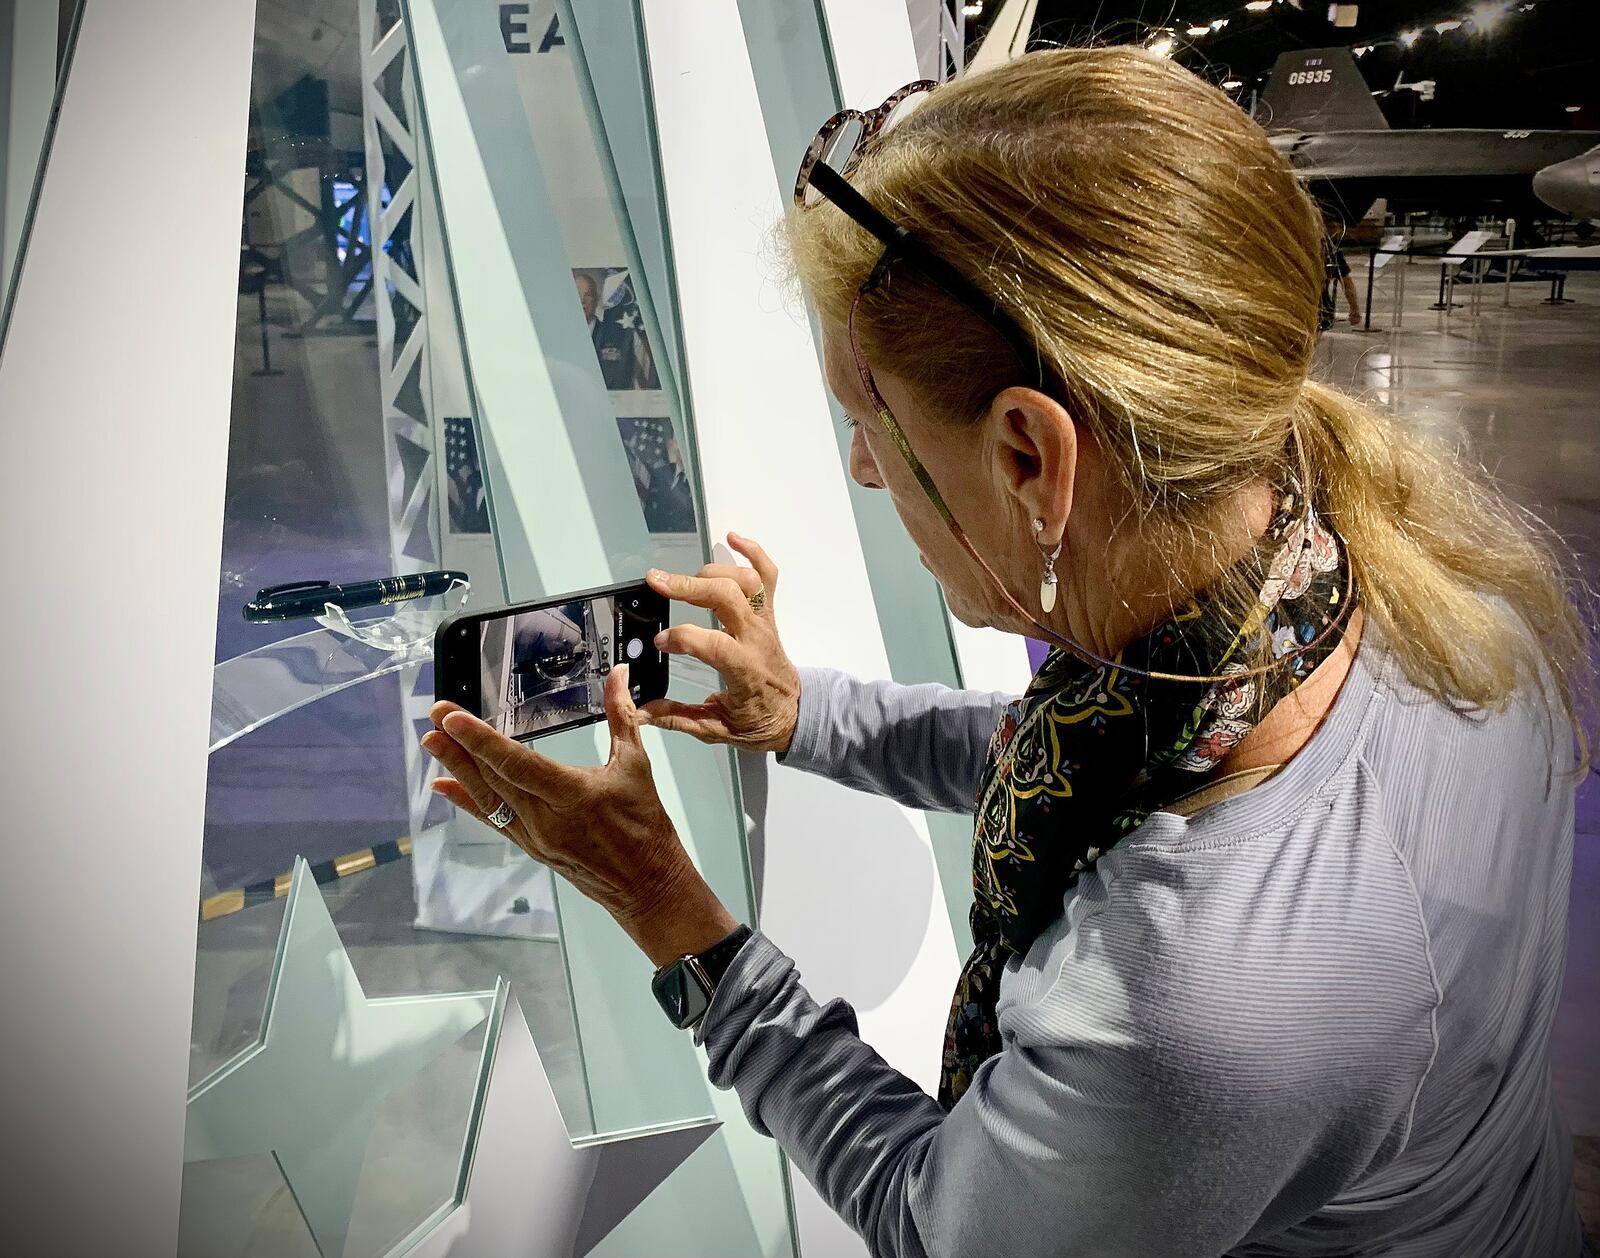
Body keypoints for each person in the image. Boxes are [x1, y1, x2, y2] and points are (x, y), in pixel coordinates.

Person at [422, 48, 1594, 1258]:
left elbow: (942, 1226)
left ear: (1029, 457)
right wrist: (801, 712)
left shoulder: (1185, 1009)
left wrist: (669, 909)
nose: (861, 470)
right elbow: (1078, 759)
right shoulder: (1393, 600)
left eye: (872, 423)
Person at [1321, 226, 1363, 329]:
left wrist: (1354, 308)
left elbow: (1346, 281)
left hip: (1319, 304)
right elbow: (1346, 281)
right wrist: (1354, 308)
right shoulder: (1328, 247)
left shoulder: (1328, 248)